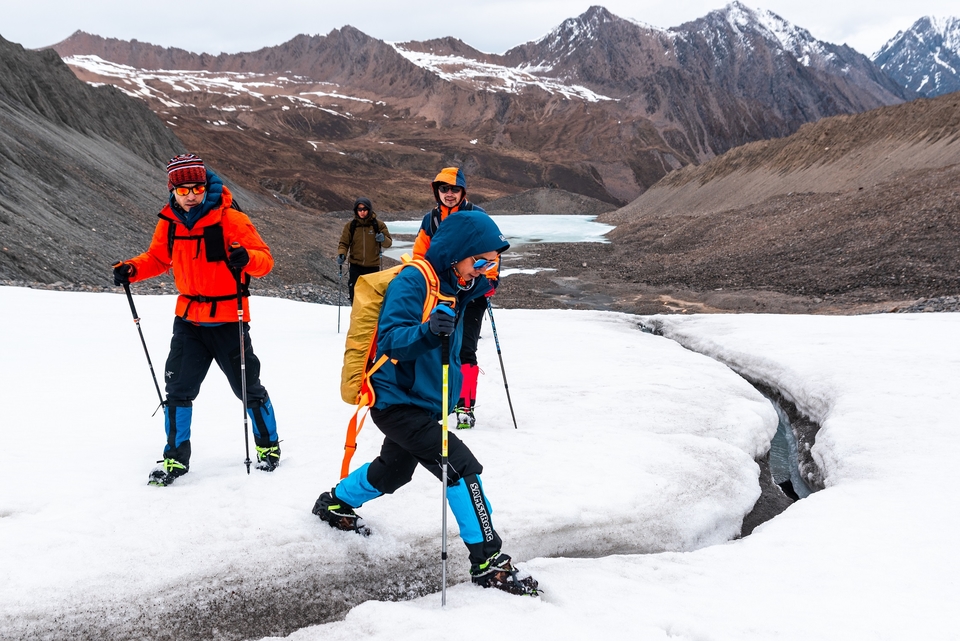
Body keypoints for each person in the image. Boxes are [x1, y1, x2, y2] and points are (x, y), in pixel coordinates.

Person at [312, 210, 538, 596]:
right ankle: (489, 563)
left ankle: (333, 503)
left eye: (491, 263)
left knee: (394, 472)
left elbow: (475, 289)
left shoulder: (458, 283)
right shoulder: (414, 281)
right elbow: (391, 340)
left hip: (422, 403)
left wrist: (481, 280)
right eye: (480, 261)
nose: (483, 270)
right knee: (460, 466)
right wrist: (429, 331)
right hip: (396, 402)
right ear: (456, 253)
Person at [113, 153, 281, 486]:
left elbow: (265, 261)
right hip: (189, 321)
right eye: (183, 189)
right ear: (172, 190)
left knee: (248, 389)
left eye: (197, 188)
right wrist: (132, 269)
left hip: (229, 319)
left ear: (205, 186)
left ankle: (268, 447)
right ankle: (175, 460)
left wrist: (246, 257)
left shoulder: (231, 219)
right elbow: (158, 258)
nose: (190, 195)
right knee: (177, 390)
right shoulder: (169, 222)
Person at [412, 167, 497, 430]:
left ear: (463, 191)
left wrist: (488, 281)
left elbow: (492, 252)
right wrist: (420, 282)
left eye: (455, 189)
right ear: (436, 191)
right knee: (439, 346)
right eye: (444, 189)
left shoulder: (477, 216)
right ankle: (439, 399)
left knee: (465, 348)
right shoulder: (430, 220)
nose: (449, 194)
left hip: (472, 293)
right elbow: (420, 256)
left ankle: (465, 405)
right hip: (441, 293)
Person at [338, 197, 392, 303]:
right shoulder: (351, 226)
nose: (362, 212)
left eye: (365, 209)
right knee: (355, 295)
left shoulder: (378, 225)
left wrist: (383, 239)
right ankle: (356, 313)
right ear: (356, 210)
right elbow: (344, 243)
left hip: (373, 267)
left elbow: (388, 243)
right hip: (355, 266)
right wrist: (341, 254)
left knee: (372, 297)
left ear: (369, 210)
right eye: (359, 209)